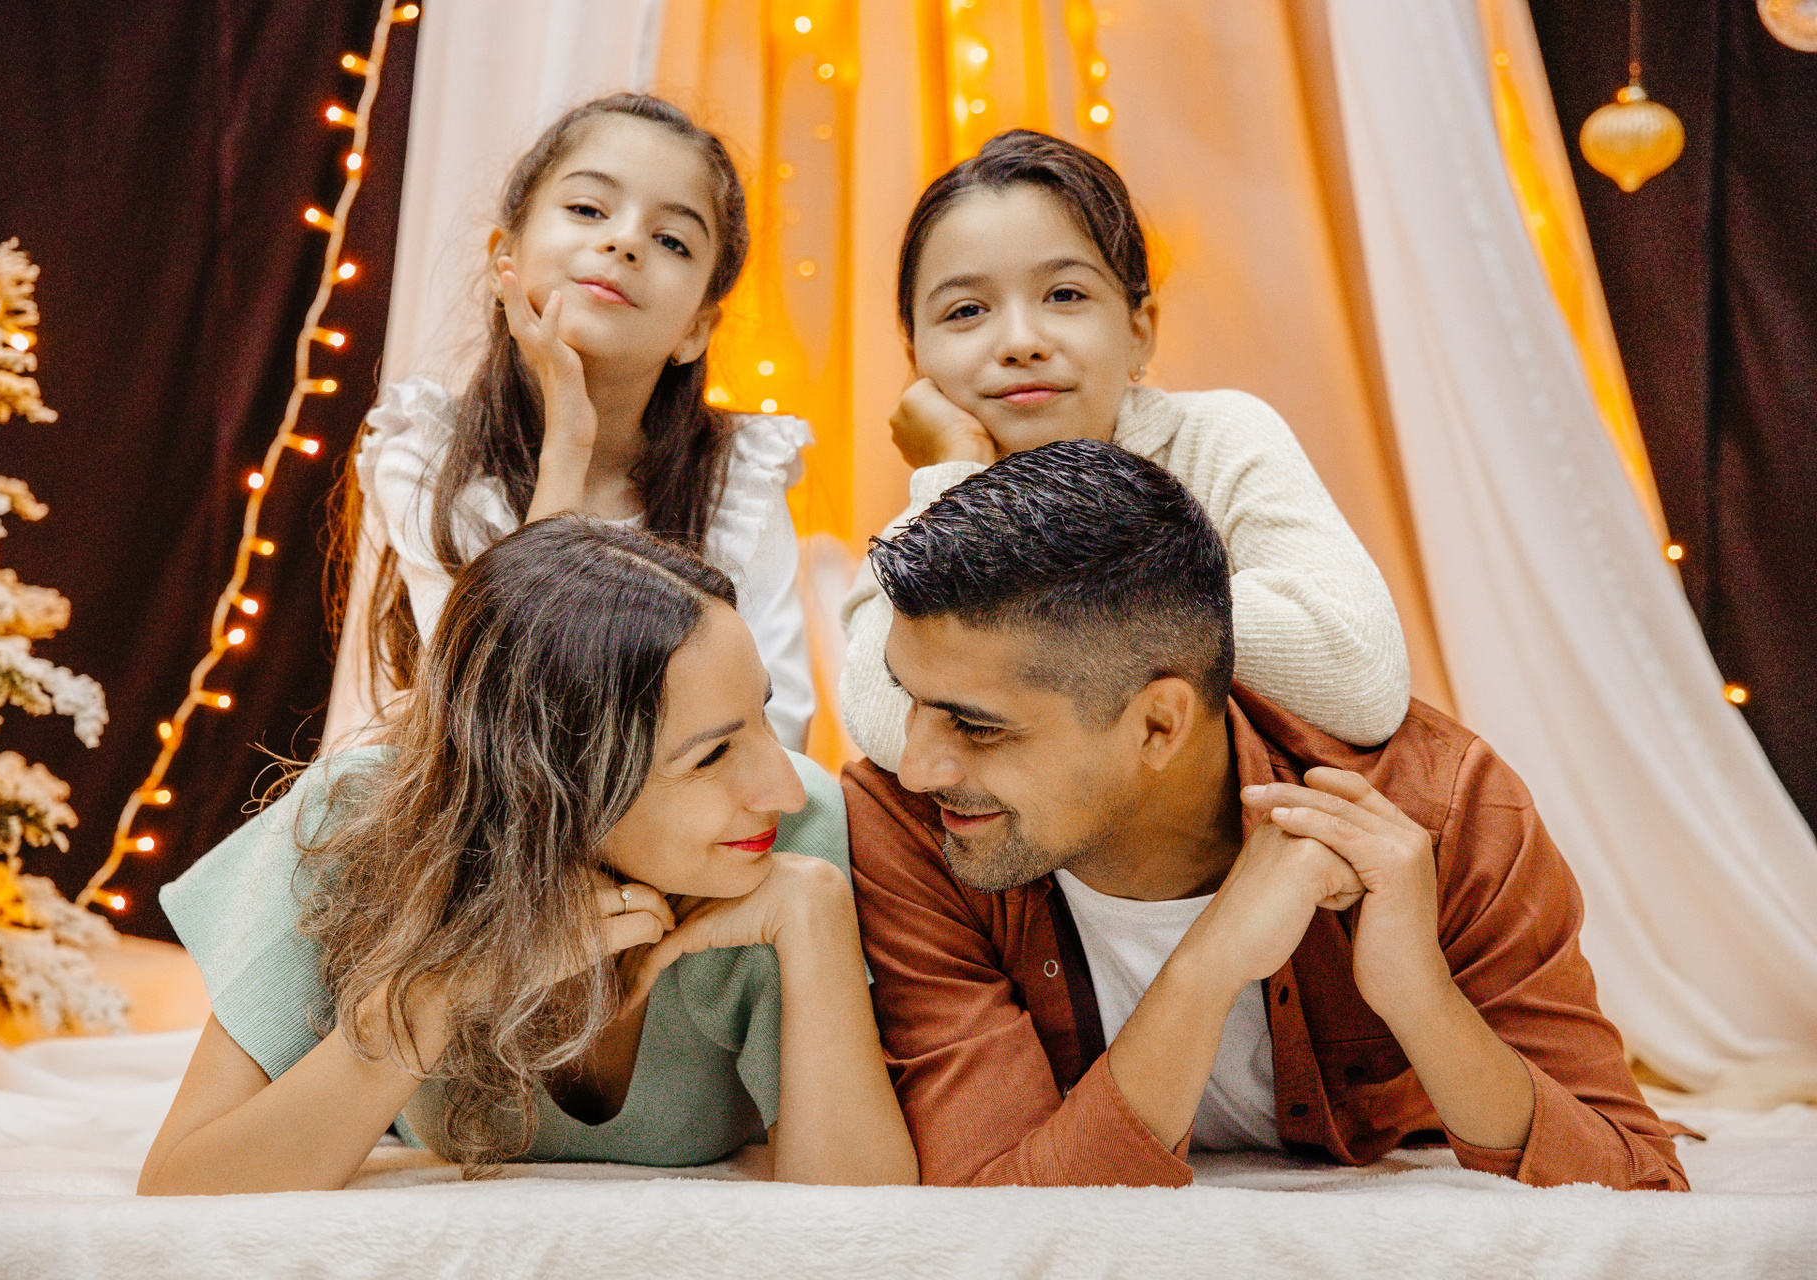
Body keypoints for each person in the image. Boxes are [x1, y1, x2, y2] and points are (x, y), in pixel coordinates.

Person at [846, 438, 1686, 1191]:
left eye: (977, 726)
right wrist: (1206, 968)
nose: (916, 765)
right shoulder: (907, 824)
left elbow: (1635, 1181)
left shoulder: (1439, 810)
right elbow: (992, 1210)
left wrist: (1420, 998)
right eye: (908, 697)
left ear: (1158, 725)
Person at [140, 519, 914, 1194]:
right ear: (547, 788)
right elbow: (185, 1181)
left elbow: (864, 1221)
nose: (783, 787)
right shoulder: (359, 826)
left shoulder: (789, 844)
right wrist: (443, 990)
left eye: (761, 713)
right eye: (711, 756)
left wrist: (813, 917)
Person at [841, 129, 1408, 769]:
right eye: (967, 310)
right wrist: (961, 482)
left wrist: (1050, 615)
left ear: (1140, 330)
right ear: (916, 357)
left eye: (1065, 295)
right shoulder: (925, 515)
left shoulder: (1217, 436)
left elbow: (1361, 681)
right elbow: (895, 734)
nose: (1021, 341)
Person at [347, 94, 814, 748]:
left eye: (671, 240)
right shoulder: (427, 453)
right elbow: (497, 720)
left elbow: (776, 733)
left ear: (696, 329)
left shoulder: (737, 479)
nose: (624, 242)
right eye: (588, 209)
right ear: (504, 259)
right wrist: (567, 446)